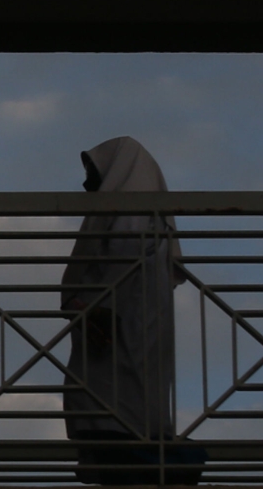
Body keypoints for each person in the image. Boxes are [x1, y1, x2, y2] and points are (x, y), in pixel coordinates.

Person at [60, 136, 201, 485]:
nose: (87, 182)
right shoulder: (142, 217)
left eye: (94, 171)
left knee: (118, 409)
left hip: (120, 329)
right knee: (122, 407)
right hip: (121, 325)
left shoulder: (132, 213)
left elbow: (119, 264)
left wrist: (95, 306)